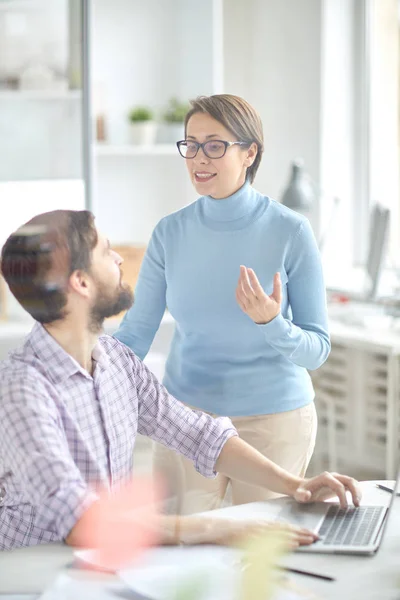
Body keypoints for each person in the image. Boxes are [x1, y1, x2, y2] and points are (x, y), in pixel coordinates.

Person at [0, 210, 359, 551]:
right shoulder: (23, 389)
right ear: (80, 282)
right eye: (106, 252)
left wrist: (297, 486)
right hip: (35, 566)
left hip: (101, 555)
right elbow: (79, 522)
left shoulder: (115, 361)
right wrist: (216, 528)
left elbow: (198, 434)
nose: (120, 260)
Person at [114, 94, 330, 512]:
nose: (199, 157)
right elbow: (136, 334)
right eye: (190, 144)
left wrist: (272, 323)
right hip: (186, 420)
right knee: (180, 556)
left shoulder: (291, 231)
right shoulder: (169, 233)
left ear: (250, 153)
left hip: (275, 420)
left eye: (214, 145)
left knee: (260, 557)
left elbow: (317, 350)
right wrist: (80, 365)